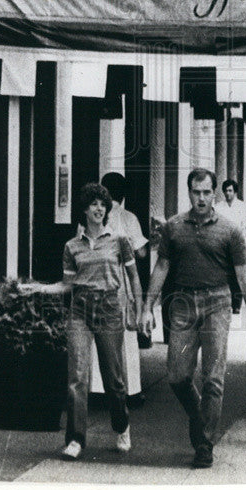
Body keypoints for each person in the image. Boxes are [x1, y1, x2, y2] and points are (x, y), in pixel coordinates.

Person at [139, 168, 246, 469]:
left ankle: (204, 443)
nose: (202, 198)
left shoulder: (230, 230)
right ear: (189, 192)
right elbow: (161, 267)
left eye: (207, 192)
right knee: (177, 375)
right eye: (197, 192)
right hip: (182, 304)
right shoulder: (174, 227)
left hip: (217, 303)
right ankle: (199, 415)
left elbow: (244, 277)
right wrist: (147, 307)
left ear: (215, 193)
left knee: (213, 378)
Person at [54, 182, 143, 460]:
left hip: (109, 308)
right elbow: (68, 285)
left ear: (107, 210)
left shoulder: (119, 241)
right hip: (79, 310)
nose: (98, 209)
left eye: (103, 205)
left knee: (113, 377)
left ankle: (122, 427)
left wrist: (137, 309)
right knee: (77, 376)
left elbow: (133, 278)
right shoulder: (72, 246)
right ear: (85, 209)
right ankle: (75, 440)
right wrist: (40, 288)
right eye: (93, 204)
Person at [101, 172, 148, 407]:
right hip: (122, 281)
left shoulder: (94, 216)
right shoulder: (129, 218)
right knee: (127, 337)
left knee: (98, 333)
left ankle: (98, 389)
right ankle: (131, 390)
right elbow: (141, 253)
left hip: (98, 280)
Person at [215, 178, 246, 313]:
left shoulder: (242, 207)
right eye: (226, 191)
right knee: (225, 274)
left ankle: (236, 304)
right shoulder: (218, 207)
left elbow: (245, 228)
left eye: (230, 191)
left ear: (235, 192)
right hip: (222, 245)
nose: (228, 193)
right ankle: (225, 303)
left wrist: (244, 246)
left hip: (238, 245)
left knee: (238, 275)